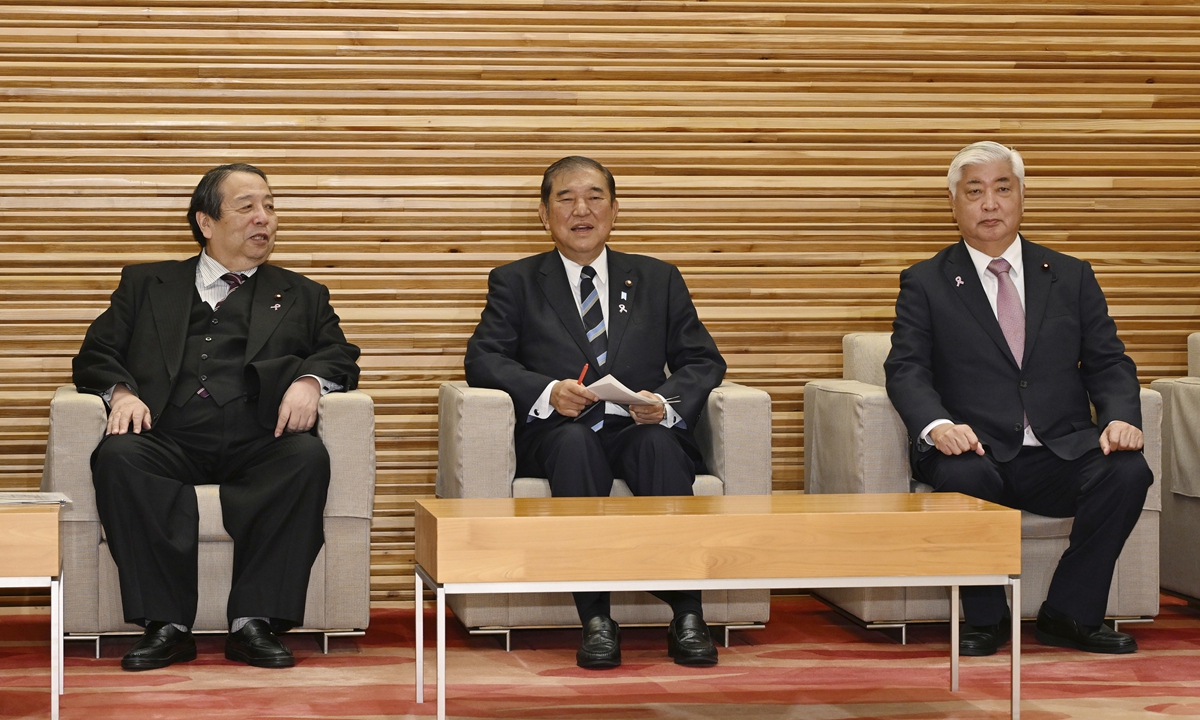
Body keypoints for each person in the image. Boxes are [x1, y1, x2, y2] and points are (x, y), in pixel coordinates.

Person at [73, 163, 361, 671]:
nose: (264, 219)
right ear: (206, 223)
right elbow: (95, 354)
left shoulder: (303, 293)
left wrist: (309, 382)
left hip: (260, 435)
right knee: (118, 456)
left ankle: (255, 621)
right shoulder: (146, 284)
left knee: (305, 457)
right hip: (167, 433)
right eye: (247, 206)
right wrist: (120, 393)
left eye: (270, 207)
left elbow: (339, 355)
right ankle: (167, 625)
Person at [884, 141, 1153, 656]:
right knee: (963, 476)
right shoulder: (926, 282)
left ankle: (1069, 615)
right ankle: (985, 618)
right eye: (976, 192)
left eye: (1002, 189)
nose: (990, 204)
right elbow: (906, 368)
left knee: (1128, 471)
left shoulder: (1071, 275)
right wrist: (936, 425)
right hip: (976, 448)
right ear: (954, 204)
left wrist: (1120, 418)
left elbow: (1109, 362)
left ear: (1022, 197)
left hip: (1060, 451)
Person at [464, 156, 726, 669]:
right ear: (544, 214)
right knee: (575, 441)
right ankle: (597, 619)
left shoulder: (658, 277)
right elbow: (483, 357)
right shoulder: (515, 281)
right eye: (565, 198)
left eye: (594, 197)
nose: (581, 209)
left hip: (637, 427)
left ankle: (688, 615)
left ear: (615, 209)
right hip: (562, 433)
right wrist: (546, 391)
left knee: (659, 445)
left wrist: (664, 405)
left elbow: (702, 359)